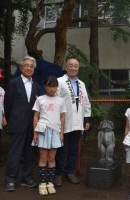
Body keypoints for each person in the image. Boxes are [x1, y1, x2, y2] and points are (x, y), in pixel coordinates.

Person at [4, 56, 41, 192]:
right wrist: (10, 120)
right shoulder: (13, 83)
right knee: (15, 153)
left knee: (30, 153)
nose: (29, 68)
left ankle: (27, 177)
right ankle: (11, 179)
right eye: (26, 65)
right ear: (21, 68)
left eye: (32, 66)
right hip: (17, 123)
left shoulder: (37, 86)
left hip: (32, 125)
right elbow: (7, 104)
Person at [54, 57, 91, 187]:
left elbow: (85, 102)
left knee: (74, 149)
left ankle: (70, 172)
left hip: (78, 121)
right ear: (66, 66)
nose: (73, 68)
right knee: (61, 149)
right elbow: (55, 101)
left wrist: (86, 118)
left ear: (78, 68)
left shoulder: (81, 84)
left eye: (76, 66)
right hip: (63, 121)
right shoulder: (60, 82)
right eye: (71, 65)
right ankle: (58, 173)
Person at [32, 76, 66, 196]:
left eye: (54, 86)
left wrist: (61, 133)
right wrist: (35, 133)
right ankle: (42, 182)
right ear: (45, 86)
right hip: (43, 131)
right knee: (43, 158)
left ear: (57, 87)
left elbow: (62, 117)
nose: (52, 89)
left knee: (52, 158)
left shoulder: (61, 100)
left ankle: (50, 182)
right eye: (49, 86)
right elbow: (36, 116)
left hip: (56, 132)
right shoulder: (40, 99)